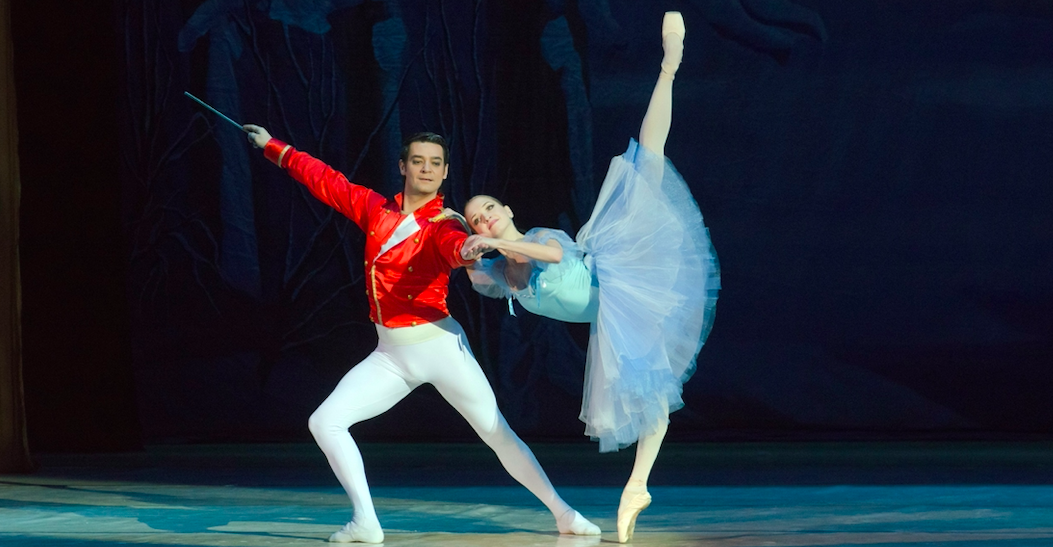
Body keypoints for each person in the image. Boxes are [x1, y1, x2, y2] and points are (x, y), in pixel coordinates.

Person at [242, 126, 600, 543]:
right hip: (390, 355)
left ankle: (564, 513)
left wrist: (466, 249)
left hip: (439, 348)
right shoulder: (375, 209)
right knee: (325, 422)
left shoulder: (444, 224)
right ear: (403, 166)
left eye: (435, 163)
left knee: (496, 432)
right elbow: (328, 181)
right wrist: (274, 147)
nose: (426, 169)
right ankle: (365, 521)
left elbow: (453, 245)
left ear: (444, 172)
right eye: (418, 161)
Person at [458, 12, 719, 544]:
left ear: (507, 210)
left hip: (618, 269)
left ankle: (669, 66)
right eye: (476, 218)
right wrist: (454, 237)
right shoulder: (498, 273)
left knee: (647, 162)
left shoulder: (537, 236)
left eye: (489, 209)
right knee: (651, 394)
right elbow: (463, 264)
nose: (484, 218)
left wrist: (498, 243)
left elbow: (551, 255)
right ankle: (637, 486)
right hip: (611, 314)